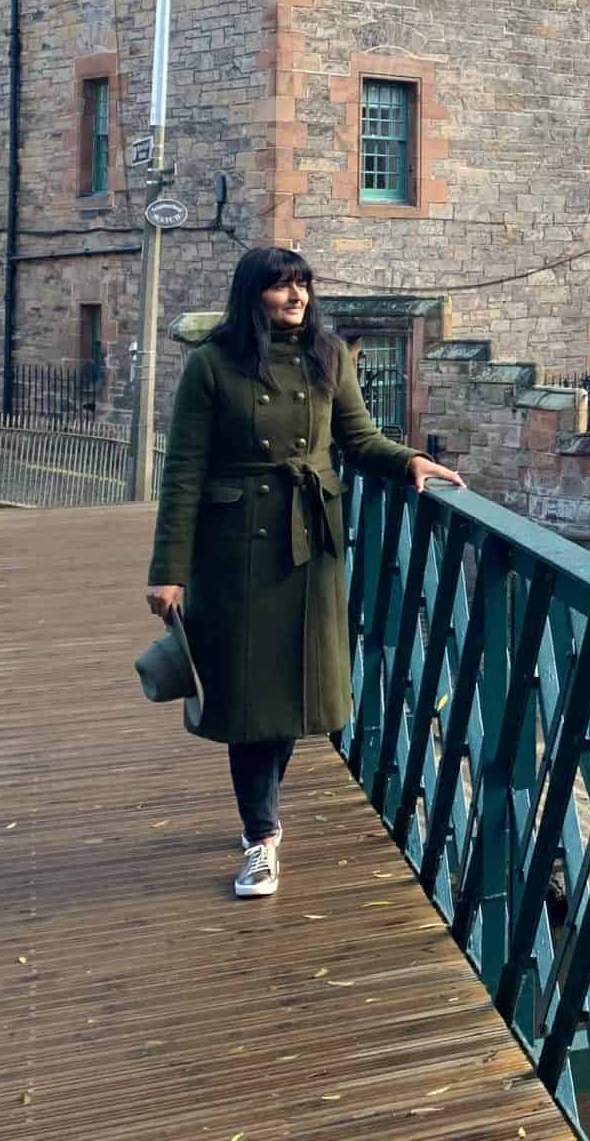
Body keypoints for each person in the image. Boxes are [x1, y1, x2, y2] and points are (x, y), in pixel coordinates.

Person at [144, 248, 460, 898]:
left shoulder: (329, 356)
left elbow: (360, 440)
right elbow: (182, 474)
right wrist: (169, 571)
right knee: (249, 700)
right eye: (281, 286)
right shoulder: (212, 366)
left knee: (294, 695)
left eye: (303, 285)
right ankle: (261, 837)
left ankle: (263, 817)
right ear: (251, 294)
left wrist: (410, 463)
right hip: (236, 551)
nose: (297, 297)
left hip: (311, 547)